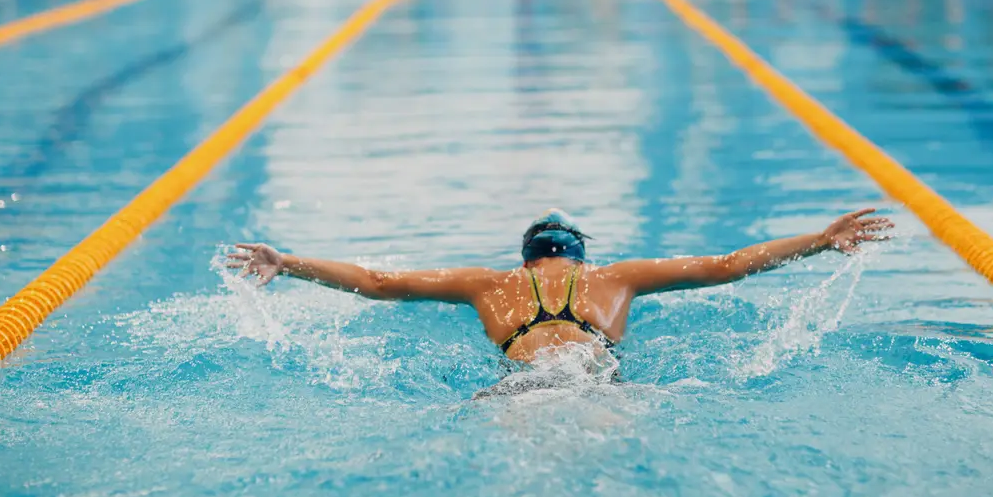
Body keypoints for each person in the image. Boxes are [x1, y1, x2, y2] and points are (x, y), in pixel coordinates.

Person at [226, 208, 893, 392]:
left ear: (527, 258)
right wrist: (819, 239)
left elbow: (377, 283)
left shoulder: (489, 285)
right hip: (595, 379)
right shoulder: (616, 279)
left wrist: (288, 263)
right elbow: (726, 267)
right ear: (579, 256)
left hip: (521, 386)